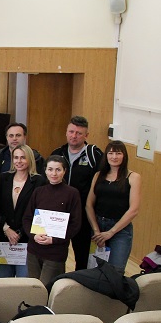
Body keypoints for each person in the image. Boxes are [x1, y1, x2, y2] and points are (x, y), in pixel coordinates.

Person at [51, 115, 102, 271]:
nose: (74, 136)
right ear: (66, 132)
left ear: (86, 135)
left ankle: (80, 283)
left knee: (83, 256)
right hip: (59, 213)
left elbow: (100, 185)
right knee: (54, 256)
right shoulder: (57, 153)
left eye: (79, 133)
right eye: (71, 132)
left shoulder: (94, 155)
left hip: (83, 215)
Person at [23, 155, 82, 285]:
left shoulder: (72, 193)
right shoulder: (39, 192)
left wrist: (54, 240)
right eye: (50, 169)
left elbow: (75, 224)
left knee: (47, 288)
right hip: (34, 250)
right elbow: (27, 218)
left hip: (55, 252)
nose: (54, 174)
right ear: (45, 170)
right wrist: (33, 236)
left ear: (64, 171)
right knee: (33, 287)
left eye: (58, 170)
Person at [0, 144, 47, 278]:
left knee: (24, 282)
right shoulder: (2, 178)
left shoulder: (39, 181)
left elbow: (38, 211)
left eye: (23, 157)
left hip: (27, 239)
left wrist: (20, 232)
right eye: (16, 158)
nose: (19, 161)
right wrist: (6, 229)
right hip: (4, 238)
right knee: (2, 282)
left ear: (30, 159)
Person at [85, 141, 141, 274]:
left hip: (120, 230)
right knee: (94, 269)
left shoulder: (133, 177)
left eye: (118, 153)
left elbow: (134, 210)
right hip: (98, 227)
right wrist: (96, 230)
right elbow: (89, 205)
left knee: (116, 271)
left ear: (124, 156)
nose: (114, 157)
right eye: (110, 153)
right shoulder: (98, 175)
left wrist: (111, 232)